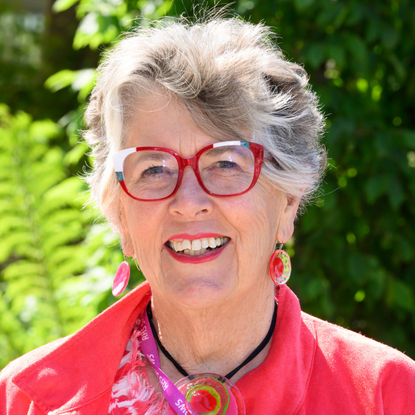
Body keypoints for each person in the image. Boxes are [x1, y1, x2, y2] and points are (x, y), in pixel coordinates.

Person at [1, 16, 415, 415]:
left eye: (225, 163)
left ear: (287, 202)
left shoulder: (389, 394)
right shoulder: (21, 401)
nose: (187, 201)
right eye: (154, 169)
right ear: (120, 216)